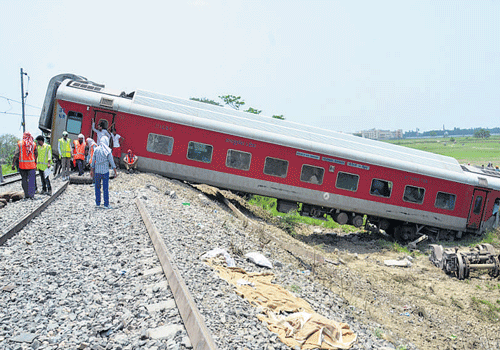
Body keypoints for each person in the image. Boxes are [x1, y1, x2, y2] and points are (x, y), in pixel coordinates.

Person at [91, 136, 117, 208]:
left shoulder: (96, 149)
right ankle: (106, 204)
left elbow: (93, 161)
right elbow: (111, 162)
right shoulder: (108, 150)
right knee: (105, 188)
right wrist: (115, 171)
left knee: (97, 188)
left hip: (97, 171)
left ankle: (98, 203)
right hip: (105, 171)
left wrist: (91, 170)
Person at [12, 132, 38, 199]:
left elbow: (16, 155)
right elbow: (36, 154)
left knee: (24, 180)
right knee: (32, 180)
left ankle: (26, 195)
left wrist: (13, 164)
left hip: (22, 166)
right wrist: (35, 162)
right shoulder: (33, 144)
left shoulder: (20, 144)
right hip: (32, 166)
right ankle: (31, 195)